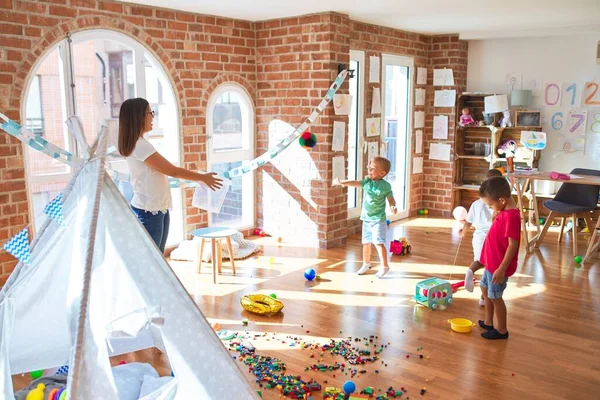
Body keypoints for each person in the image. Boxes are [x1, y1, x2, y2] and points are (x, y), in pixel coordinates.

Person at [118, 98, 222, 252]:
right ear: (138, 116)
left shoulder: (141, 143)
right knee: (154, 260)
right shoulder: (140, 146)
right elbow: (172, 171)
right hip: (148, 211)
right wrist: (202, 177)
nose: (153, 116)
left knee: (158, 257)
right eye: (149, 113)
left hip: (157, 208)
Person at [477, 176, 520, 340]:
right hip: (490, 262)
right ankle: (488, 322)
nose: (490, 207)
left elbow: (513, 245)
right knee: (484, 289)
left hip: (497, 266)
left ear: (502, 200)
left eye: (490, 204)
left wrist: (502, 268)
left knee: (496, 297)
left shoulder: (511, 216)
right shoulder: (503, 212)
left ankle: (502, 330)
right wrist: (495, 215)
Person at [339, 156, 396, 278]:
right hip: (366, 219)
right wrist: (344, 182)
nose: (369, 170)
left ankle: (385, 266)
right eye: (368, 168)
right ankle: (366, 263)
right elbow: (356, 182)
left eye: (372, 169)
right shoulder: (367, 182)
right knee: (366, 243)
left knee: (378, 243)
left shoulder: (386, 186)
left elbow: (391, 198)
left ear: (382, 173)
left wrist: (393, 206)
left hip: (378, 220)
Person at [461, 169, 504, 305]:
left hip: (478, 236)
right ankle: (483, 298)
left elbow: (468, 221)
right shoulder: (498, 203)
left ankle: (471, 270)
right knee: (490, 267)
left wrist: (463, 231)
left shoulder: (476, 203)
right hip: (493, 237)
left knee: (479, 259)